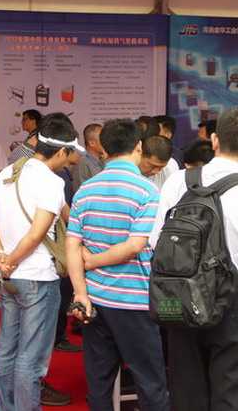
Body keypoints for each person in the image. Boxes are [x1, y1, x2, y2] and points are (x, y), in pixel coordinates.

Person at [66, 118, 170, 411]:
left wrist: (81, 293)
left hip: (95, 299)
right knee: (150, 382)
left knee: (99, 383)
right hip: (134, 302)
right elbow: (135, 246)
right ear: (138, 146)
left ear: (104, 149)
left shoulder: (86, 190)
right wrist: (94, 261)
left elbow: (72, 245)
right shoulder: (147, 191)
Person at [0, 116, 84, 411]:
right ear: (61, 151)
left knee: (6, 349)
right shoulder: (51, 181)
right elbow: (37, 233)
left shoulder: (8, 172)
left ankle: (4, 407)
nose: (69, 161)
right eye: (70, 154)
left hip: (10, 276)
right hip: (38, 276)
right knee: (32, 357)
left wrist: (2, 258)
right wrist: (11, 261)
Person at [150, 109, 238, 411]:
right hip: (233, 301)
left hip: (180, 294)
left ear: (214, 140)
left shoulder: (179, 181)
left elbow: (155, 242)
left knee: (185, 387)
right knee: (230, 389)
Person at [72, 123, 105, 193]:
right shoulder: (82, 162)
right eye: (103, 139)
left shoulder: (103, 160)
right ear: (92, 143)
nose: (107, 142)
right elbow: (80, 191)